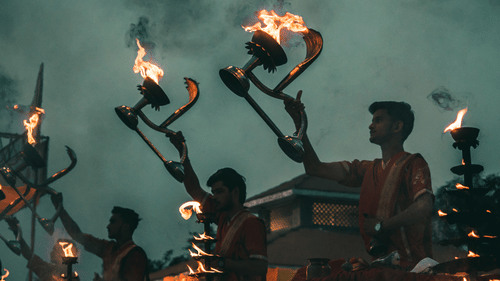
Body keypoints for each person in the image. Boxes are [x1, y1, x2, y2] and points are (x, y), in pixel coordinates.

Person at [284, 92, 434, 269]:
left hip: (410, 268)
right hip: (378, 266)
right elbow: (315, 168)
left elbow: (424, 207)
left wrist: (382, 226)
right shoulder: (366, 170)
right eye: (372, 120)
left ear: (397, 126)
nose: (371, 126)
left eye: (378, 120)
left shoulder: (414, 163)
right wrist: (299, 124)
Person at [169, 132, 268, 281]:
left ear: (235, 192)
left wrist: (222, 263)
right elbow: (194, 189)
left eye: (219, 192)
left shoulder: (251, 224)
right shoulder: (222, 218)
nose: (214, 197)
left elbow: (260, 267)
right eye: (213, 192)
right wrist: (183, 153)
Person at [51, 195, 149, 281]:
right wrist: (60, 209)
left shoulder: (135, 255)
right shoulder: (108, 248)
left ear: (125, 227)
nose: (108, 226)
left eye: (113, 222)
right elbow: (77, 235)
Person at [5, 216, 80, 281]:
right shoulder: (47, 269)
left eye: (56, 249)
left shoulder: (72, 277)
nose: (52, 250)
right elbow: (28, 254)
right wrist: (16, 231)